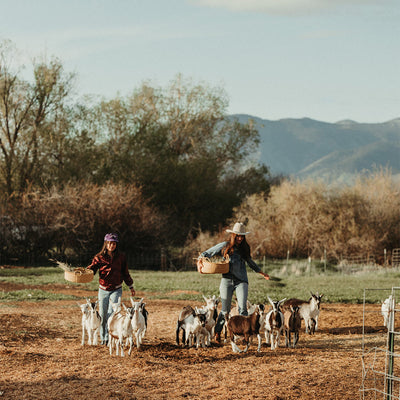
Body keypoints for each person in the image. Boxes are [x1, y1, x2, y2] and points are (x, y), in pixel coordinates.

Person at [197, 222, 269, 342]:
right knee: (225, 309)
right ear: (233, 235)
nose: (240, 238)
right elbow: (208, 252)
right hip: (227, 280)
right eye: (238, 236)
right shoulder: (225, 246)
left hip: (241, 281)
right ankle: (218, 331)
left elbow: (250, 262)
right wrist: (200, 260)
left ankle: (244, 334)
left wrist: (261, 272)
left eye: (242, 236)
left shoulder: (244, 248)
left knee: (243, 309)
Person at [87, 233, 136, 345]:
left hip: (116, 289)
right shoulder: (99, 258)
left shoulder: (121, 257)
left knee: (113, 313)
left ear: (116, 244)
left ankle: (112, 337)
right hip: (103, 290)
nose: (111, 245)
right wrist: (83, 273)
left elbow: (125, 273)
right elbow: (92, 269)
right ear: (105, 244)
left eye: (113, 243)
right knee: (103, 315)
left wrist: (131, 286)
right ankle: (104, 338)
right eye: (109, 243)